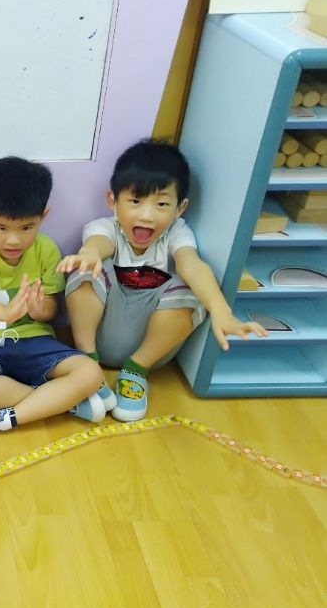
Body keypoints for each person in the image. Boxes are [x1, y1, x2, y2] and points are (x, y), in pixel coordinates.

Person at [59, 139, 267, 421]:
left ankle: (134, 372)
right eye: (135, 201)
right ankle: (88, 366)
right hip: (99, 336)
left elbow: (192, 265)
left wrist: (221, 310)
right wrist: (90, 253)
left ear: (179, 209)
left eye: (161, 204)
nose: (146, 215)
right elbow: (97, 244)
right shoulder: (105, 227)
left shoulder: (176, 234)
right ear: (113, 200)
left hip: (151, 350)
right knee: (85, 268)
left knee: (193, 287)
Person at [0, 156, 105, 439]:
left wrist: (40, 309)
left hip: (34, 340)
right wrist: (4, 313)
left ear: (43, 216)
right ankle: (60, 402)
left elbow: (52, 307)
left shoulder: (47, 250)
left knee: (91, 372)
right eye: (2, 228)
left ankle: (0, 419)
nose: (13, 240)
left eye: (26, 228)